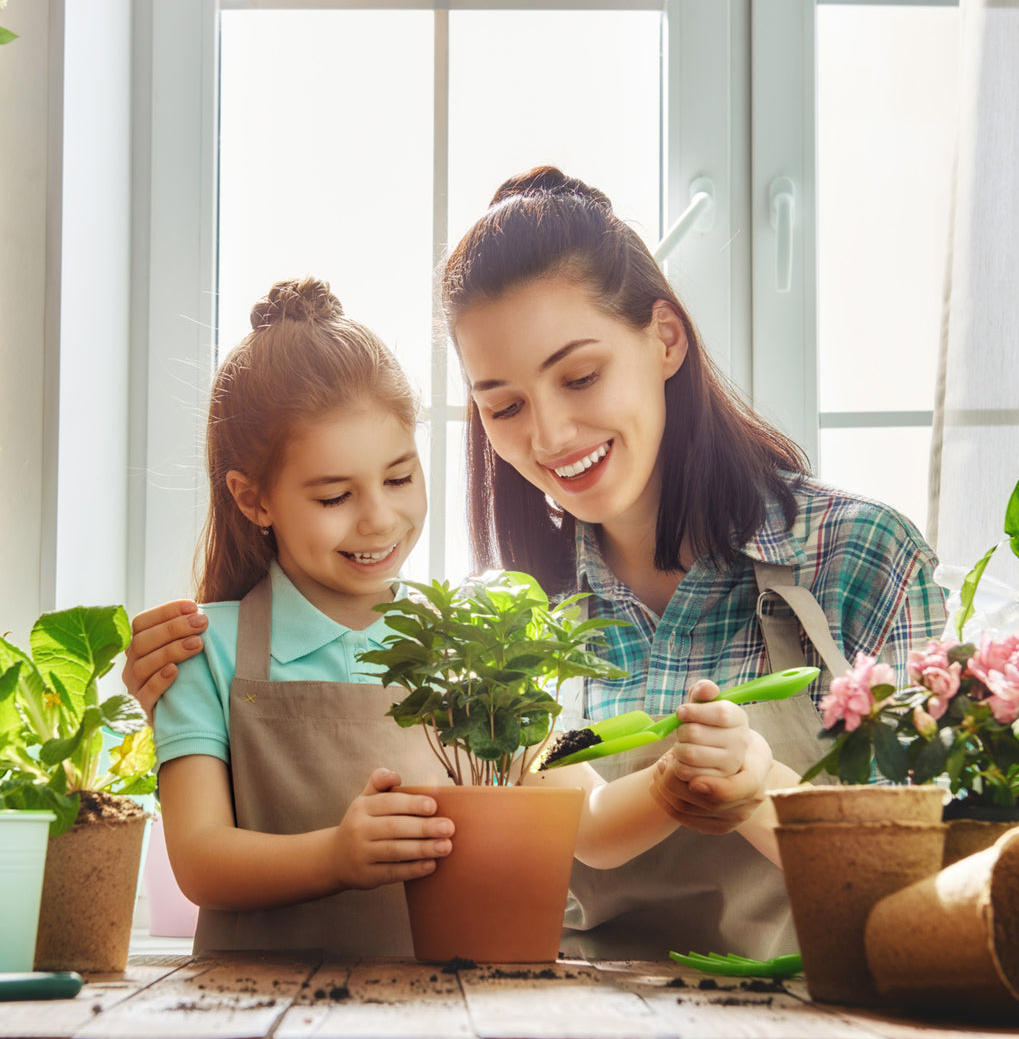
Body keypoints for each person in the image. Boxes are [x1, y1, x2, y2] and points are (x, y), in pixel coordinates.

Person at [129, 169, 946, 958]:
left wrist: (760, 790)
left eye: (581, 375)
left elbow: (929, 881)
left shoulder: (859, 559)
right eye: (505, 406)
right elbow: (579, 828)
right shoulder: (510, 620)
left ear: (665, 338)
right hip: (559, 1009)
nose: (550, 436)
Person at [152, 274, 782, 957]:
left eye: (399, 477)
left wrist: (672, 780)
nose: (379, 519)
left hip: (435, 1013)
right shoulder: (203, 651)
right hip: (248, 1009)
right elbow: (201, 861)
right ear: (253, 500)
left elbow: (590, 830)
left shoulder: (470, 645)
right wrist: (334, 857)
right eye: (334, 496)